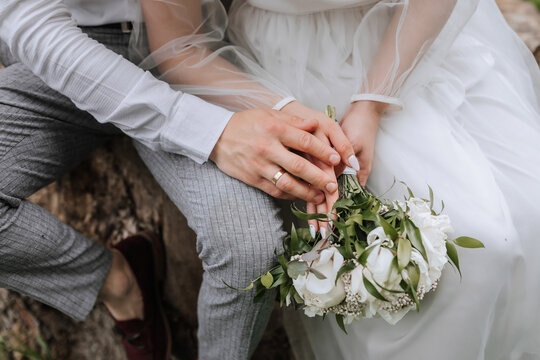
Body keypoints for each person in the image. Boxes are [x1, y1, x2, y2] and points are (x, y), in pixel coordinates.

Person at [138, 0, 540, 358]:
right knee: (465, 257)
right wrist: (290, 115)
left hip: (416, 36)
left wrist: (372, 104)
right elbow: (179, 47)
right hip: (282, 66)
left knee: (529, 214)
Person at [0, 0, 358, 359]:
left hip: (195, 50)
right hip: (67, 50)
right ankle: (120, 282)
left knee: (247, 244)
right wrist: (212, 134)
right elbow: (31, 24)